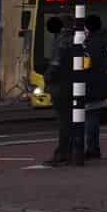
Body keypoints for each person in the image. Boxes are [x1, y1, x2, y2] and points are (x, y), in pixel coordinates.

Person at [43, 16, 74, 165]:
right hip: (72, 85)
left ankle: (63, 152)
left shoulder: (62, 41)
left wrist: (47, 77)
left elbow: (56, 63)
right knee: (72, 120)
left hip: (61, 86)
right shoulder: (77, 39)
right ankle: (72, 150)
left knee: (64, 120)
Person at [82, 13, 107, 161]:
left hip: (90, 84)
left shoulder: (89, 44)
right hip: (101, 83)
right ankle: (94, 147)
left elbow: (86, 64)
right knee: (93, 117)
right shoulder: (102, 41)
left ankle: (91, 148)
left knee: (90, 118)